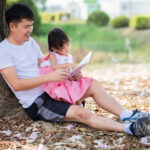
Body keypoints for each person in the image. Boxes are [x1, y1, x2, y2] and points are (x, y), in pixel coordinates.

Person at [0, 3, 150, 138]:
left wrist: (69, 74)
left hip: (52, 90)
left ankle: (129, 115)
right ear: (12, 26)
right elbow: (16, 84)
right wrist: (50, 77)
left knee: (93, 84)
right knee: (82, 113)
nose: (30, 30)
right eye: (26, 26)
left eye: (31, 25)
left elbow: (43, 65)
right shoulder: (4, 50)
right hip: (37, 102)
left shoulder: (30, 42)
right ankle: (131, 128)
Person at [39, 28, 93, 105]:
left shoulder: (70, 57)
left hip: (69, 79)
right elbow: (54, 67)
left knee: (77, 86)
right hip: (58, 81)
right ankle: (77, 105)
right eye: (62, 47)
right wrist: (66, 65)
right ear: (54, 48)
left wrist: (76, 75)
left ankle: (78, 103)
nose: (66, 48)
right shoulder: (54, 55)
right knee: (68, 90)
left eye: (67, 44)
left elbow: (73, 69)